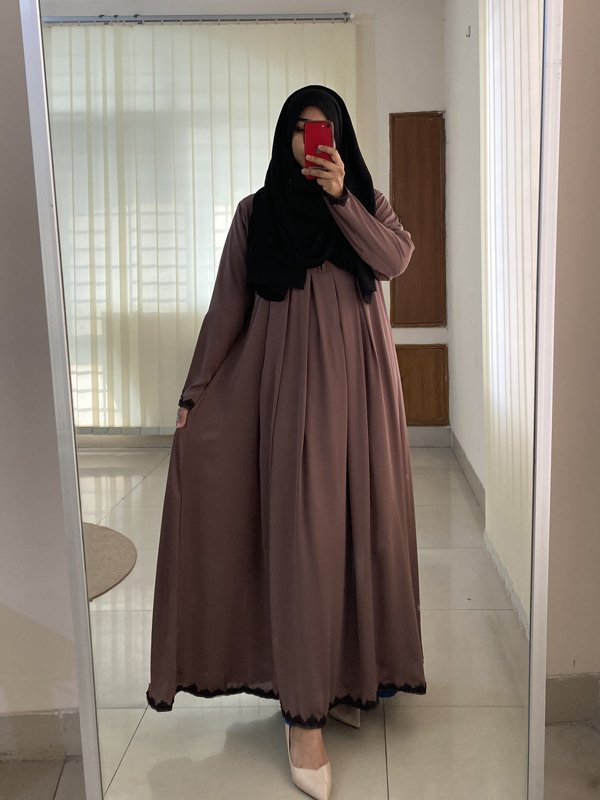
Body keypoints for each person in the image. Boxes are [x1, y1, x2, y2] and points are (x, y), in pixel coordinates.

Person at [146, 85, 426, 800]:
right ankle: (303, 716)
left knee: (363, 534)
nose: (312, 141)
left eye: (324, 129)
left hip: (364, 397)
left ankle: (348, 677)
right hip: (289, 397)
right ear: (284, 137)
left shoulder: (367, 202)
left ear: (342, 138)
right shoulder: (257, 214)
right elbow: (227, 309)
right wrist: (194, 393)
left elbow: (394, 261)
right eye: (301, 129)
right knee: (304, 540)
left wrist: (341, 199)